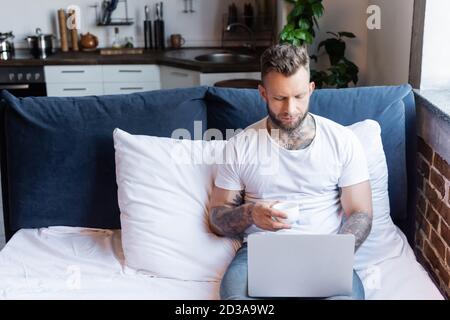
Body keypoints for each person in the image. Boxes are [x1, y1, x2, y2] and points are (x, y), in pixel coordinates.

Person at [208, 44, 373, 300]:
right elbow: (217, 219)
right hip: (258, 253)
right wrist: (251, 214)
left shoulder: (343, 141)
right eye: (279, 98)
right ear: (263, 93)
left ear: (311, 89)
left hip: (324, 251)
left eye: (298, 96)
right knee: (235, 300)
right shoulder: (240, 146)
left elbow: (361, 213)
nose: (290, 109)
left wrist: (335, 255)